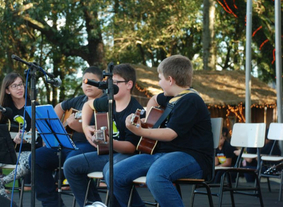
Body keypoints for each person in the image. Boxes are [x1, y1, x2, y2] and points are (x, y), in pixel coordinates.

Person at [108, 55, 213, 207]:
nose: (158, 83)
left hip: (193, 158)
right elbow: (154, 100)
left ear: (170, 80)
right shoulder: (172, 97)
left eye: (160, 78)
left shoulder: (190, 100)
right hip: (162, 155)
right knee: (115, 174)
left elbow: (170, 134)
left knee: (156, 176)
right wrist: (147, 121)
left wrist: (139, 131)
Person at [63, 63, 145, 207]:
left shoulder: (135, 110)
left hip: (127, 156)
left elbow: (131, 148)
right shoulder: (109, 101)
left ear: (129, 84)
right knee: (70, 165)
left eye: (115, 82)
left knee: (110, 171)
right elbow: (88, 105)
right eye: (110, 82)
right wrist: (86, 127)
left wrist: (109, 141)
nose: (110, 86)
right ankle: (93, 204)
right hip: (108, 153)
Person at [29, 66, 105, 207]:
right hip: (69, 145)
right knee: (36, 157)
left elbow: (99, 131)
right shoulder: (79, 100)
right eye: (84, 81)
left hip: (91, 147)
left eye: (92, 81)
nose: (87, 85)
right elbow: (60, 106)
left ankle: (92, 203)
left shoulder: (105, 102)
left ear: (102, 82)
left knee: (73, 161)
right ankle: (52, 204)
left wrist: (77, 126)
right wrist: (58, 127)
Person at [0, 72, 42, 197]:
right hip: (9, 151)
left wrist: (25, 139)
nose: (19, 88)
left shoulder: (34, 106)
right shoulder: (5, 108)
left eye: (21, 85)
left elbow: (37, 131)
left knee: (27, 163)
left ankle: (0, 182)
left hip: (28, 151)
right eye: (14, 86)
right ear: (7, 90)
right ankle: (4, 198)